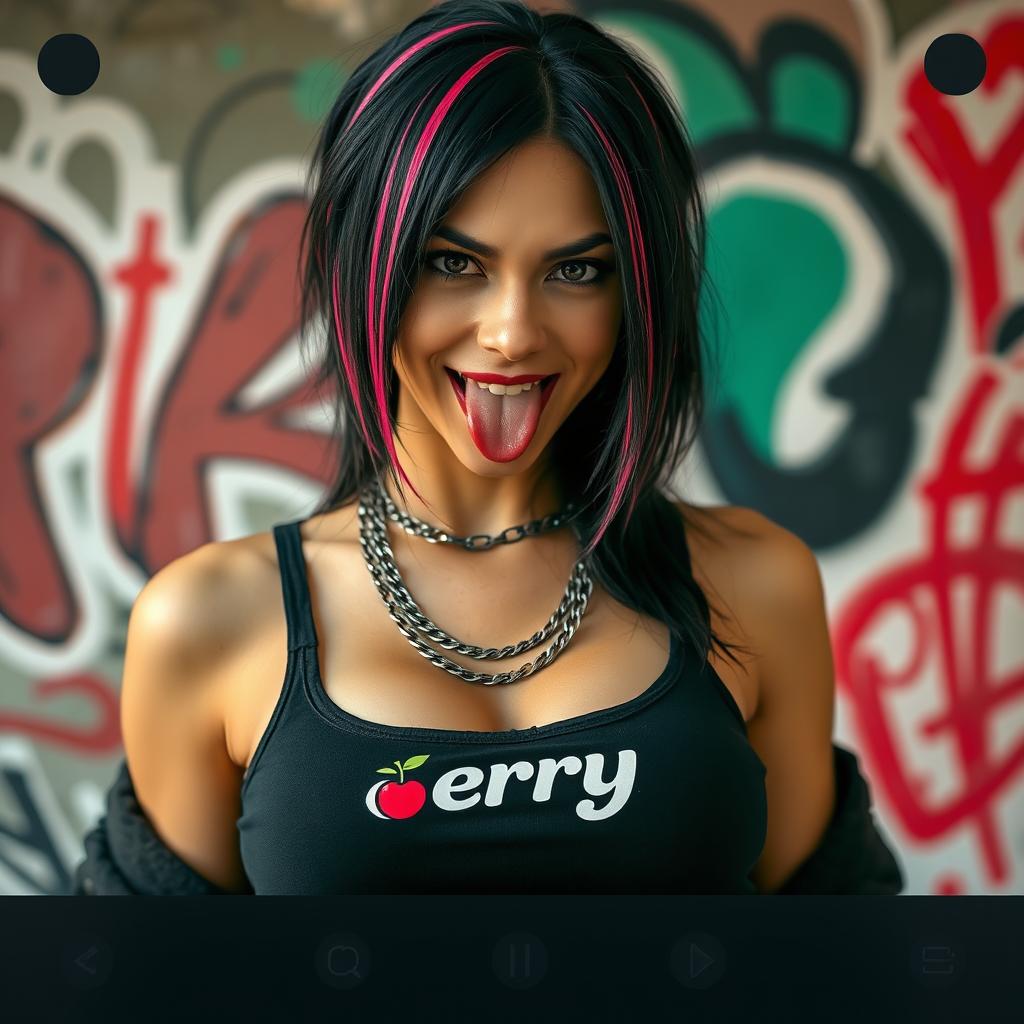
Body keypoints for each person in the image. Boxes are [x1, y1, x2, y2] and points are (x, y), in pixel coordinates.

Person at [75, 0, 903, 895]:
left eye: (576, 270)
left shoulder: (755, 586)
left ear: (636, 294)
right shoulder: (204, 622)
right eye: (453, 262)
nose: (512, 332)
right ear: (367, 261)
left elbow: (832, 966)